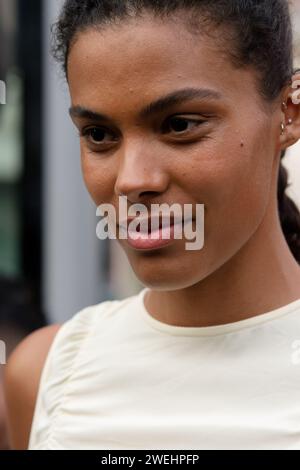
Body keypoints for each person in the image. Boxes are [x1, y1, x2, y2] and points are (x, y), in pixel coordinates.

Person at [4, 0, 300, 450]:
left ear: (288, 113)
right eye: (99, 135)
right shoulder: (47, 372)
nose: (133, 180)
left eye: (180, 125)